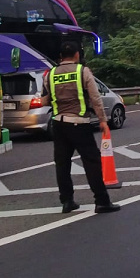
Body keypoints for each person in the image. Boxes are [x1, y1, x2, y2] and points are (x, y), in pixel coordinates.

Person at [42, 41, 121, 214]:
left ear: (61, 56)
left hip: (58, 124)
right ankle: (102, 201)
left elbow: (45, 100)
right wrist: (102, 120)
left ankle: (67, 201)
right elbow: (95, 97)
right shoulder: (82, 71)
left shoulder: (50, 74)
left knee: (62, 164)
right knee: (92, 162)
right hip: (79, 123)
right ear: (77, 54)